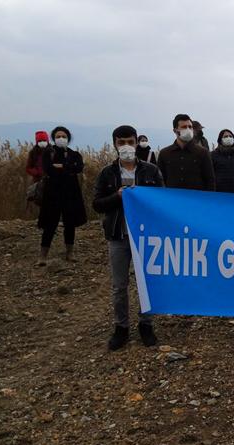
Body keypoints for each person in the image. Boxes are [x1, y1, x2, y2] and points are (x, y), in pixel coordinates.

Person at [93, 125, 164, 351]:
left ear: (137, 142)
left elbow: (162, 201)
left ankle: (146, 324)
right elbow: (97, 204)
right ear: (115, 144)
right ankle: (121, 327)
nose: (127, 147)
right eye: (121, 142)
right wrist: (117, 196)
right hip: (117, 235)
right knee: (119, 285)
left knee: (146, 282)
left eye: (130, 142)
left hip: (144, 237)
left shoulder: (151, 171)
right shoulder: (107, 173)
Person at [38, 126, 88, 265]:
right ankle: (43, 256)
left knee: (70, 223)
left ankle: (69, 253)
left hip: (71, 193)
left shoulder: (74, 154)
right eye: (58, 136)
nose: (61, 139)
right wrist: (67, 168)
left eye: (64, 136)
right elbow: (48, 168)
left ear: (68, 138)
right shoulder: (49, 153)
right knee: (50, 224)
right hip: (52, 194)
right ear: (54, 138)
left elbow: (79, 167)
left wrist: (62, 167)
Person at [158, 114, 215, 191]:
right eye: (184, 127)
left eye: (190, 127)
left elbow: (210, 180)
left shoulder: (203, 152)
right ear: (175, 130)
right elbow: (160, 181)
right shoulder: (164, 153)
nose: (188, 129)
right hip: (172, 200)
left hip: (196, 200)